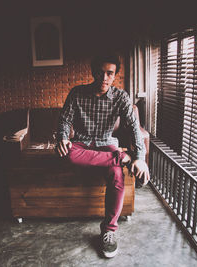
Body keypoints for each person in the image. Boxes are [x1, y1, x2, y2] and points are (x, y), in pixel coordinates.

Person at [55, 54, 150, 258]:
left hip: (107, 144)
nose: (104, 78)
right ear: (92, 72)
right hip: (81, 143)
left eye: (110, 73)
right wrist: (63, 137)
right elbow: (64, 121)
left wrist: (140, 158)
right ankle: (122, 159)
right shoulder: (77, 93)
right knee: (68, 154)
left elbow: (135, 128)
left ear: (115, 75)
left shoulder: (121, 97)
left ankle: (108, 230)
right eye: (100, 72)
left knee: (117, 175)